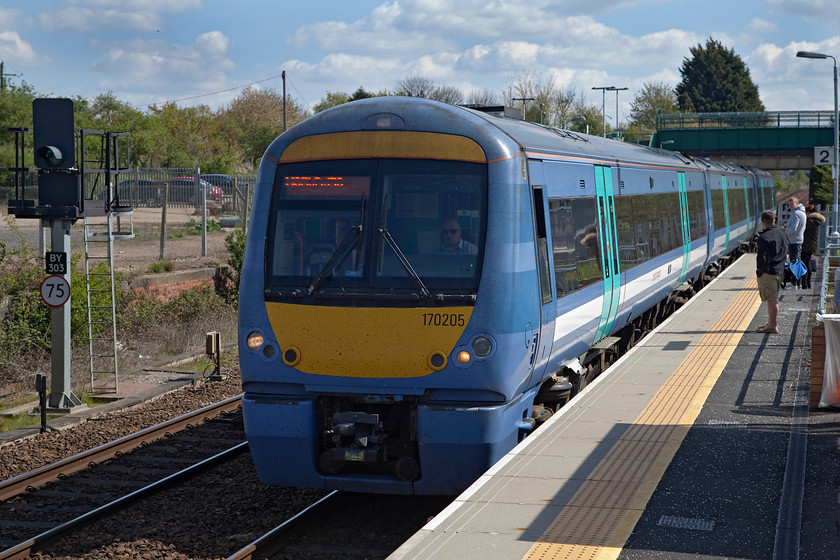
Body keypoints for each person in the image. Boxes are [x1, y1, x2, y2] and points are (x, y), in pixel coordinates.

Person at [756, 210, 789, 334]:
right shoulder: (781, 233)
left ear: (762, 222)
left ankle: (772, 325)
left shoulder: (764, 237)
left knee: (772, 299)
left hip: (768, 272)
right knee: (772, 298)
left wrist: (759, 272)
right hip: (780, 271)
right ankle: (771, 322)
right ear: (774, 220)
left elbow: (761, 258)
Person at [801, 204, 826, 289]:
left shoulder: (810, 220)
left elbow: (803, 229)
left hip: (807, 244)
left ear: (808, 212)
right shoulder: (815, 220)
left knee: (806, 263)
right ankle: (807, 283)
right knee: (807, 262)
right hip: (811, 244)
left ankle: (806, 283)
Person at [784, 196, 806, 286]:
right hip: (796, 240)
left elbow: (793, 228)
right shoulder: (800, 212)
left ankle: (795, 283)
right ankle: (797, 282)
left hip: (794, 240)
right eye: (789, 203)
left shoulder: (796, 214)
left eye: (792, 203)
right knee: (796, 261)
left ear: (797, 203)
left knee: (795, 261)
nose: (790, 205)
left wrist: (784, 235)